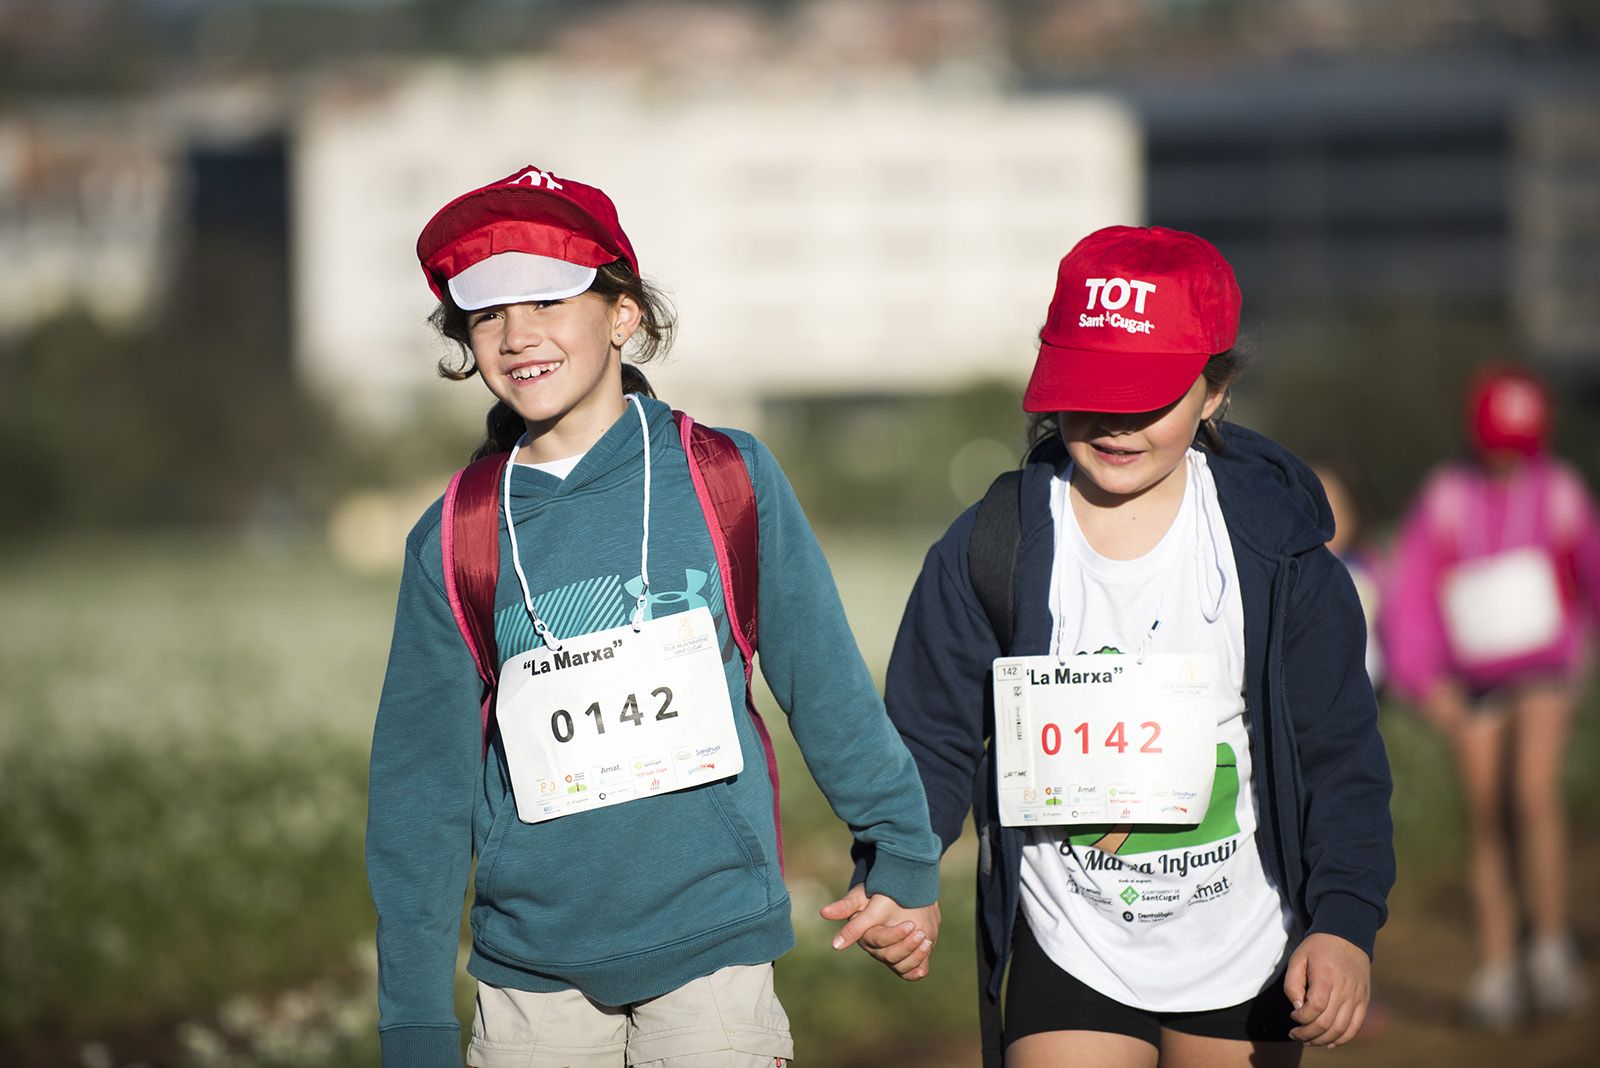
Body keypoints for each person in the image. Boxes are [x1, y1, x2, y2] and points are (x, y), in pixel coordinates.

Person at [366, 163, 940, 1068]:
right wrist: (413, 1017)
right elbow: (420, 796)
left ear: (624, 314)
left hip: (715, 954)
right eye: (487, 314)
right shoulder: (450, 536)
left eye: (550, 300)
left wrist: (903, 856)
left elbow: (823, 683)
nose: (519, 336)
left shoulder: (728, 477)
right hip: (527, 982)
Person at [874, 225, 1394, 1066]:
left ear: (1214, 392)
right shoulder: (993, 545)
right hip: (1069, 934)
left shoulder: (1279, 555)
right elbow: (928, 732)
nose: (1115, 423)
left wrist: (1344, 922)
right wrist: (902, 869)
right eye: (1088, 388)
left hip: (1244, 948)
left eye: (1147, 394)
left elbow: (1339, 759)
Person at [1383, 364, 1600, 1031]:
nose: (1505, 460)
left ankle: (1551, 948)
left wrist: (1580, 647)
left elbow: (1589, 570)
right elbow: (1410, 593)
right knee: (1486, 818)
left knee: (1533, 800)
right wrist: (1423, 680)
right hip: (1468, 679)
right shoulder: (1447, 496)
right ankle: (1500, 965)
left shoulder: (1560, 492)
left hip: (1544, 673)